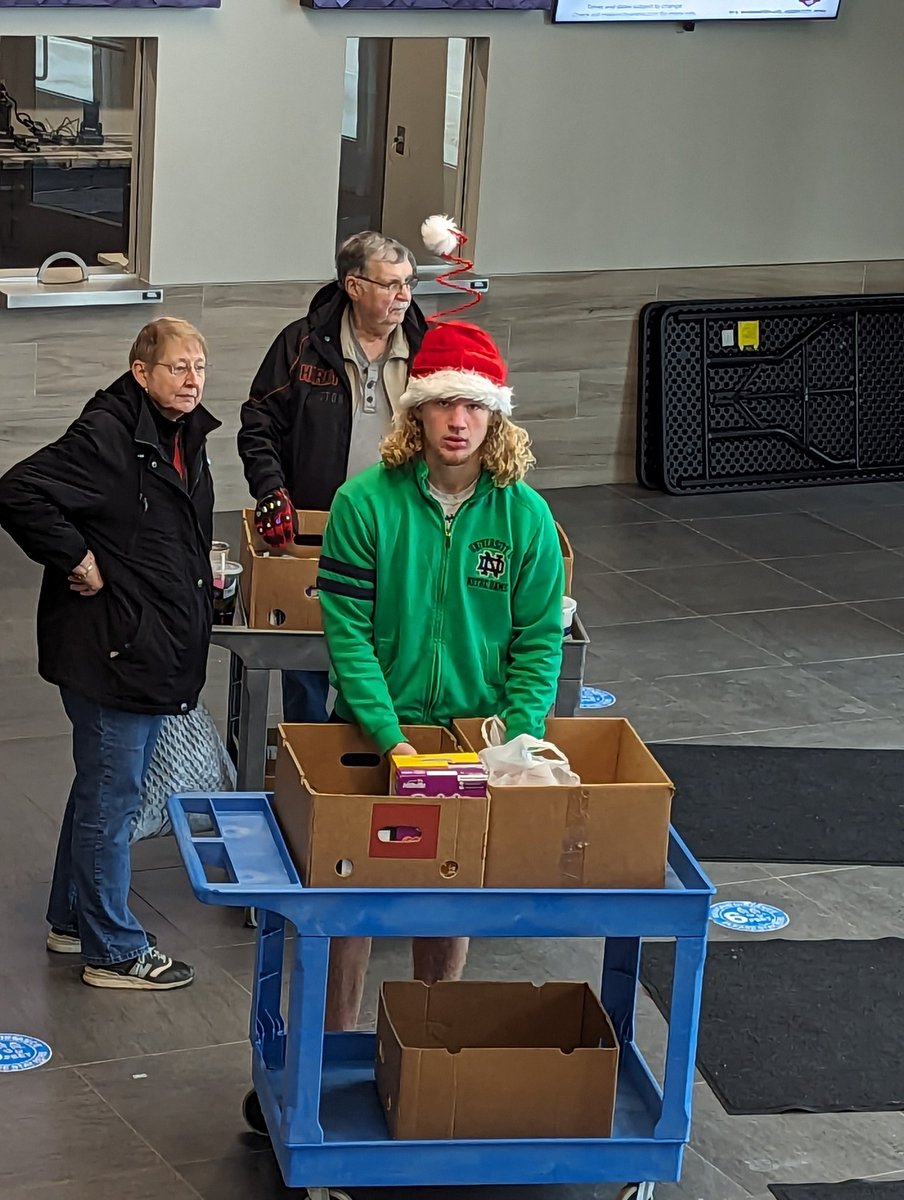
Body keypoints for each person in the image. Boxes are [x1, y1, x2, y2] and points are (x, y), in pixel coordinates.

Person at [316, 319, 565, 1029]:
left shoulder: (526, 519)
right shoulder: (363, 505)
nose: (459, 422)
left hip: (470, 732)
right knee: (351, 889)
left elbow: (538, 640)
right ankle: (335, 1042)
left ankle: (429, 1043)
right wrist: (388, 736)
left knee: (450, 888)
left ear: (496, 415)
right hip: (371, 727)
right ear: (416, 409)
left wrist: (516, 741)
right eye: (444, 404)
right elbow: (349, 637)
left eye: (475, 405)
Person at [0, 317, 219, 991]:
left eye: (200, 367)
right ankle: (114, 950)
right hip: (113, 649)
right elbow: (17, 490)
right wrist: (77, 557)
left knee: (100, 786)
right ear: (140, 371)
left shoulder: (181, 436)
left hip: (145, 642)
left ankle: (73, 918)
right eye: (177, 367)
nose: (191, 380)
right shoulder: (109, 437)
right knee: (112, 798)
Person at [237, 231, 427, 724]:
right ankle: (309, 753)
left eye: (408, 284)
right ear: (354, 286)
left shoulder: (428, 347)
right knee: (308, 646)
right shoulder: (300, 343)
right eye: (390, 285)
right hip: (316, 523)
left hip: (402, 526)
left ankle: (377, 744)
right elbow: (259, 422)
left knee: (390, 644)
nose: (403, 297)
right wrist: (270, 491)